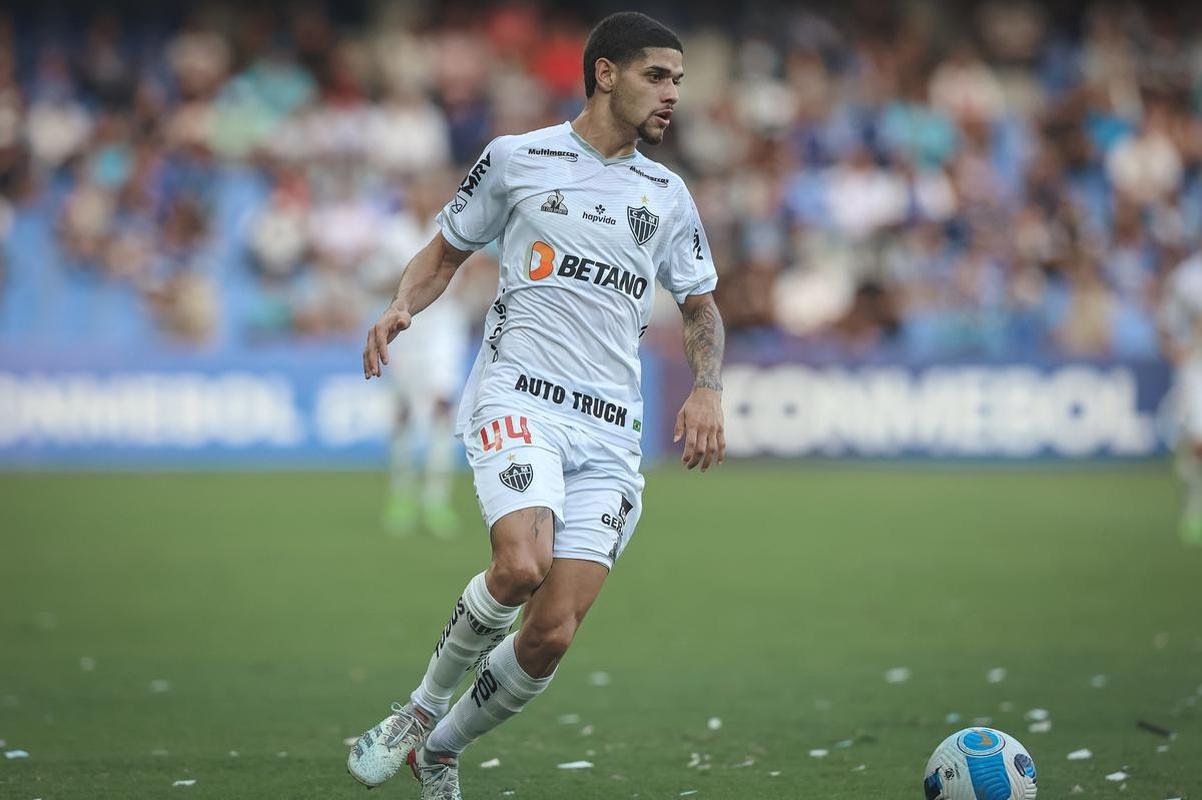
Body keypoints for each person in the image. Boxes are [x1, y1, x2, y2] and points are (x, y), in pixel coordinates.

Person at [347, 11, 726, 799]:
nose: (672, 95)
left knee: (551, 633)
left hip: (611, 430)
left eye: (678, 81)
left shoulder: (667, 194)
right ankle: (418, 711)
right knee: (520, 565)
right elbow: (445, 251)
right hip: (519, 396)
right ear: (606, 74)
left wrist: (708, 387)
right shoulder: (517, 159)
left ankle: (439, 751)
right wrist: (400, 305)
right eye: (657, 76)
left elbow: (700, 306)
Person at [1161, 250, 1202, 545]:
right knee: (1197, 441)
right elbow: (1167, 323)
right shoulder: (1187, 277)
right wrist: (1176, 352)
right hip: (1196, 366)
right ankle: (1195, 506)